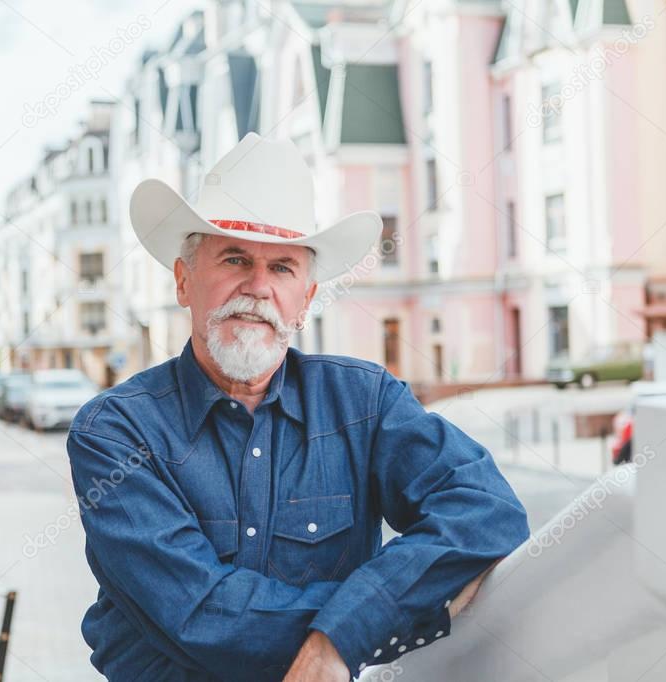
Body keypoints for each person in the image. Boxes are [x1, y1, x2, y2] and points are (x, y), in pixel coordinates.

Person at [67, 132, 529, 681]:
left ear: (306, 299)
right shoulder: (115, 433)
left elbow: (486, 512)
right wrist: (374, 619)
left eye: (283, 267)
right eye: (235, 258)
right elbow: (199, 616)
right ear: (184, 280)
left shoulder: (366, 402)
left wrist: (335, 642)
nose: (258, 287)